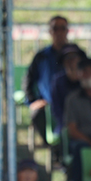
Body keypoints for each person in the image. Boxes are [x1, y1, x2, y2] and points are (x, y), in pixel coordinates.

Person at [24, 16, 70, 144]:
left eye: (63, 28)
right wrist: (33, 101)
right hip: (48, 104)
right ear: (50, 31)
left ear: (67, 31)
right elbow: (28, 79)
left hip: (72, 104)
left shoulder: (77, 54)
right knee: (37, 114)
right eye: (55, 28)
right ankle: (53, 150)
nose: (59, 32)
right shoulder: (42, 56)